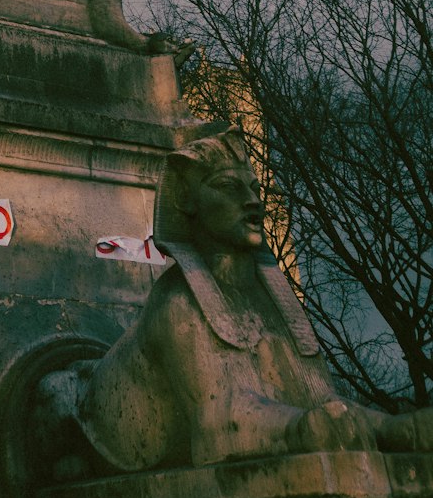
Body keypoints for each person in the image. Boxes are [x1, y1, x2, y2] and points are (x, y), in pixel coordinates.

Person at [39, 128, 433, 476]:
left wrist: (392, 429)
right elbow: (217, 426)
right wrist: (301, 428)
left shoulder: (274, 298)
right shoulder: (178, 301)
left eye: (254, 190)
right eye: (229, 188)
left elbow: (321, 401)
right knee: (55, 394)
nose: (252, 202)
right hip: (89, 412)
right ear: (187, 202)